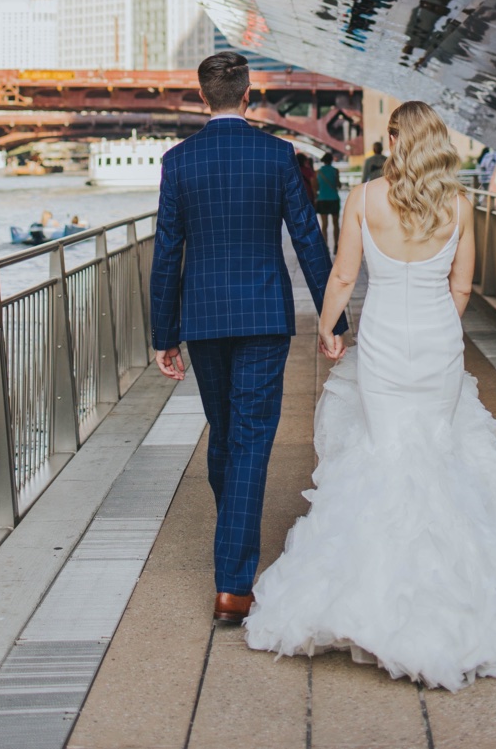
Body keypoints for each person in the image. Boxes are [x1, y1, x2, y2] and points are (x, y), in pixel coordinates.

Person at [244, 100, 496, 689]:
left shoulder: (365, 200)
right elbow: (463, 287)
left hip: (382, 340)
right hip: (437, 341)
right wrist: (436, 320)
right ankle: (462, 598)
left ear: (394, 140)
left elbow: (345, 277)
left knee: (386, 450)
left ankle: (376, 600)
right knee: (437, 450)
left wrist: (330, 328)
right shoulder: (459, 205)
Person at [150, 51, 346, 626]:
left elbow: (167, 253)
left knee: (229, 433)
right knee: (250, 438)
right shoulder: (276, 154)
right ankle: (234, 578)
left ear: (203, 94)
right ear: (248, 91)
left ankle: (233, 578)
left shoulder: (178, 162)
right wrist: (332, 319)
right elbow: (309, 240)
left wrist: (165, 333)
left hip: (203, 317)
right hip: (264, 314)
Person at [315, 147, 342, 246]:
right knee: (336, 224)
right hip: (334, 199)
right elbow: (338, 185)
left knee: (324, 225)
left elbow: (317, 186)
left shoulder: (318, 172)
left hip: (322, 199)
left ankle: (325, 245)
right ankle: (336, 245)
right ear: (331, 160)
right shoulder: (335, 171)